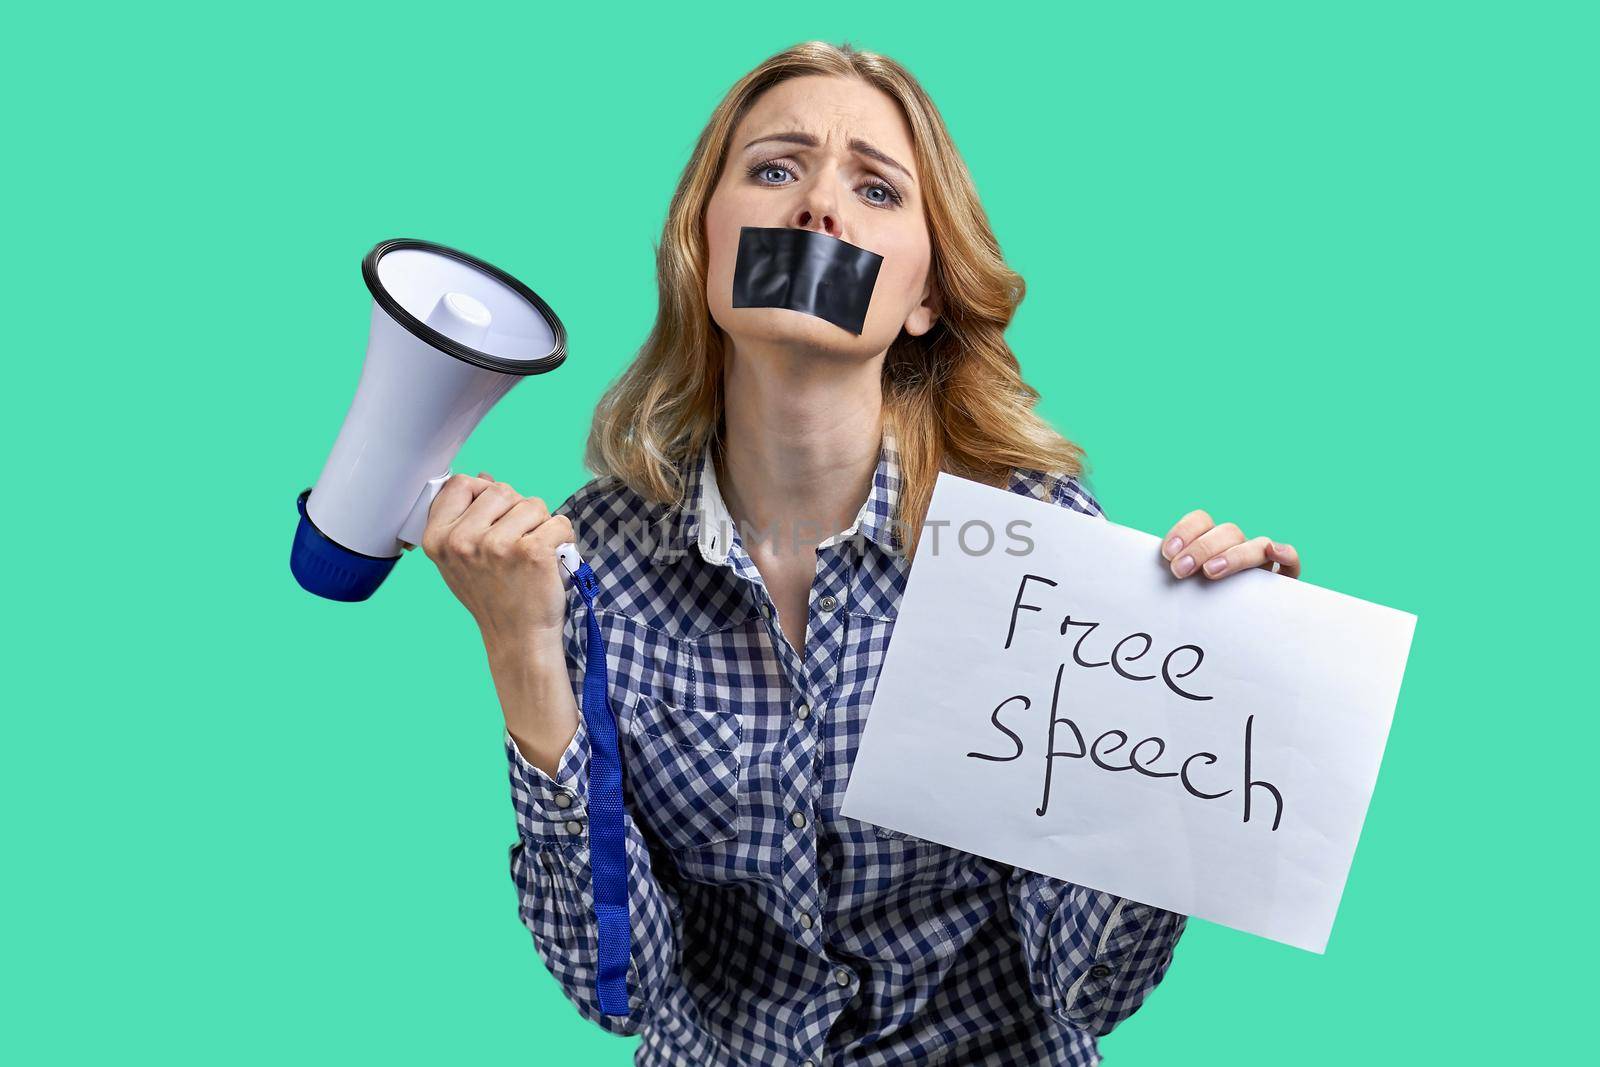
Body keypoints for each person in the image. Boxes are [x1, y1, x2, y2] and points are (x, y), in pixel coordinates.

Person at [418, 40, 1303, 1067]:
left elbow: (1090, 985)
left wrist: (1180, 726)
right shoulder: (594, 558)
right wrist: (523, 652)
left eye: (874, 187)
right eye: (774, 170)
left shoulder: (1037, 543)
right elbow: (620, 988)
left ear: (925, 295)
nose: (816, 209)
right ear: (703, 247)